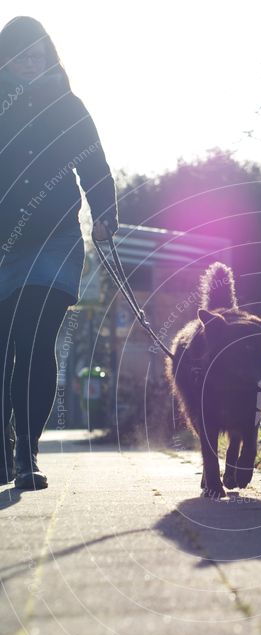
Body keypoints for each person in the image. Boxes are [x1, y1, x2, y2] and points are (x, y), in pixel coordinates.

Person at [0, 16, 118, 489]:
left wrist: (105, 213)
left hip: (55, 241)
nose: (29, 64)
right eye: (19, 56)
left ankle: (26, 452)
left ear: (49, 58)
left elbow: (94, 163)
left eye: (37, 56)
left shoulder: (67, 106)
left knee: (32, 340)